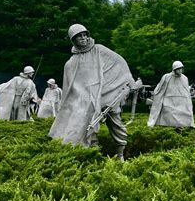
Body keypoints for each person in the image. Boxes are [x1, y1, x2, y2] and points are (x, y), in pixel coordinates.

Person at [49, 24, 139, 162]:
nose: (83, 38)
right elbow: (70, 91)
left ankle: (121, 155)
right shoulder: (70, 63)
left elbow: (119, 64)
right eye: (79, 36)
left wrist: (129, 82)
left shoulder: (100, 50)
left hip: (108, 96)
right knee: (86, 130)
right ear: (73, 40)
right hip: (86, 103)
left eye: (84, 34)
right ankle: (93, 156)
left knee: (116, 125)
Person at [147, 61, 195, 128]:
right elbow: (160, 88)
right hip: (168, 101)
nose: (180, 70)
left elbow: (186, 93)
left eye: (181, 68)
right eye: (178, 69)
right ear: (174, 69)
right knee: (168, 115)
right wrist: (156, 96)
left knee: (184, 115)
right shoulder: (167, 77)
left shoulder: (184, 78)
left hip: (181, 102)